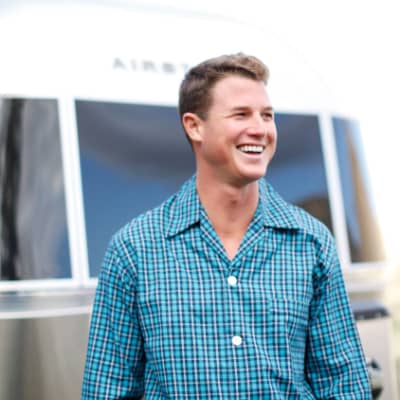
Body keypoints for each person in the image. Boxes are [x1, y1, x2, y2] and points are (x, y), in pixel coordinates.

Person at [82, 53, 371, 399]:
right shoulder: (135, 249)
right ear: (195, 126)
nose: (260, 129)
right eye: (241, 114)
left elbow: (343, 384)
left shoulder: (311, 241)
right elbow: (107, 390)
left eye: (267, 115)